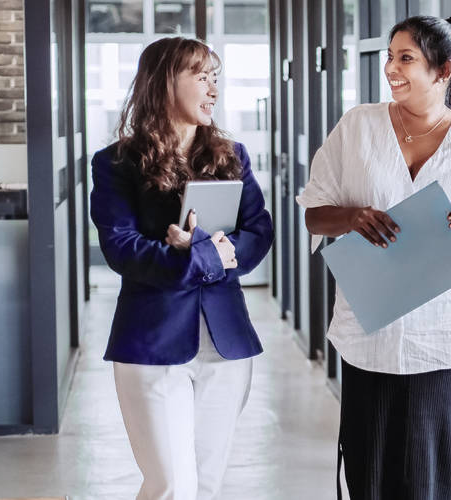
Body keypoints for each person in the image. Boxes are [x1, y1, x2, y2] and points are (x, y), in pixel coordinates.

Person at [296, 15, 451, 500]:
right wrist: (353, 217)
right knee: (370, 476)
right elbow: (313, 217)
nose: (391, 68)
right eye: (390, 56)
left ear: (443, 71)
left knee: (432, 479)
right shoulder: (358, 127)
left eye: (406, 58)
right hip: (371, 335)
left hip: (446, 341)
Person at [89, 37, 273, 500]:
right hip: (152, 343)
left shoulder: (231, 155)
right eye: (201, 76)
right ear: (165, 81)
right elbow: (122, 249)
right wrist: (210, 256)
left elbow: (259, 231)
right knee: (172, 487)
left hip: (226, 344)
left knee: (206, 487)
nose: (214, 89)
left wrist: (201, 251)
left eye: (217, 77)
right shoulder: (115, 163)